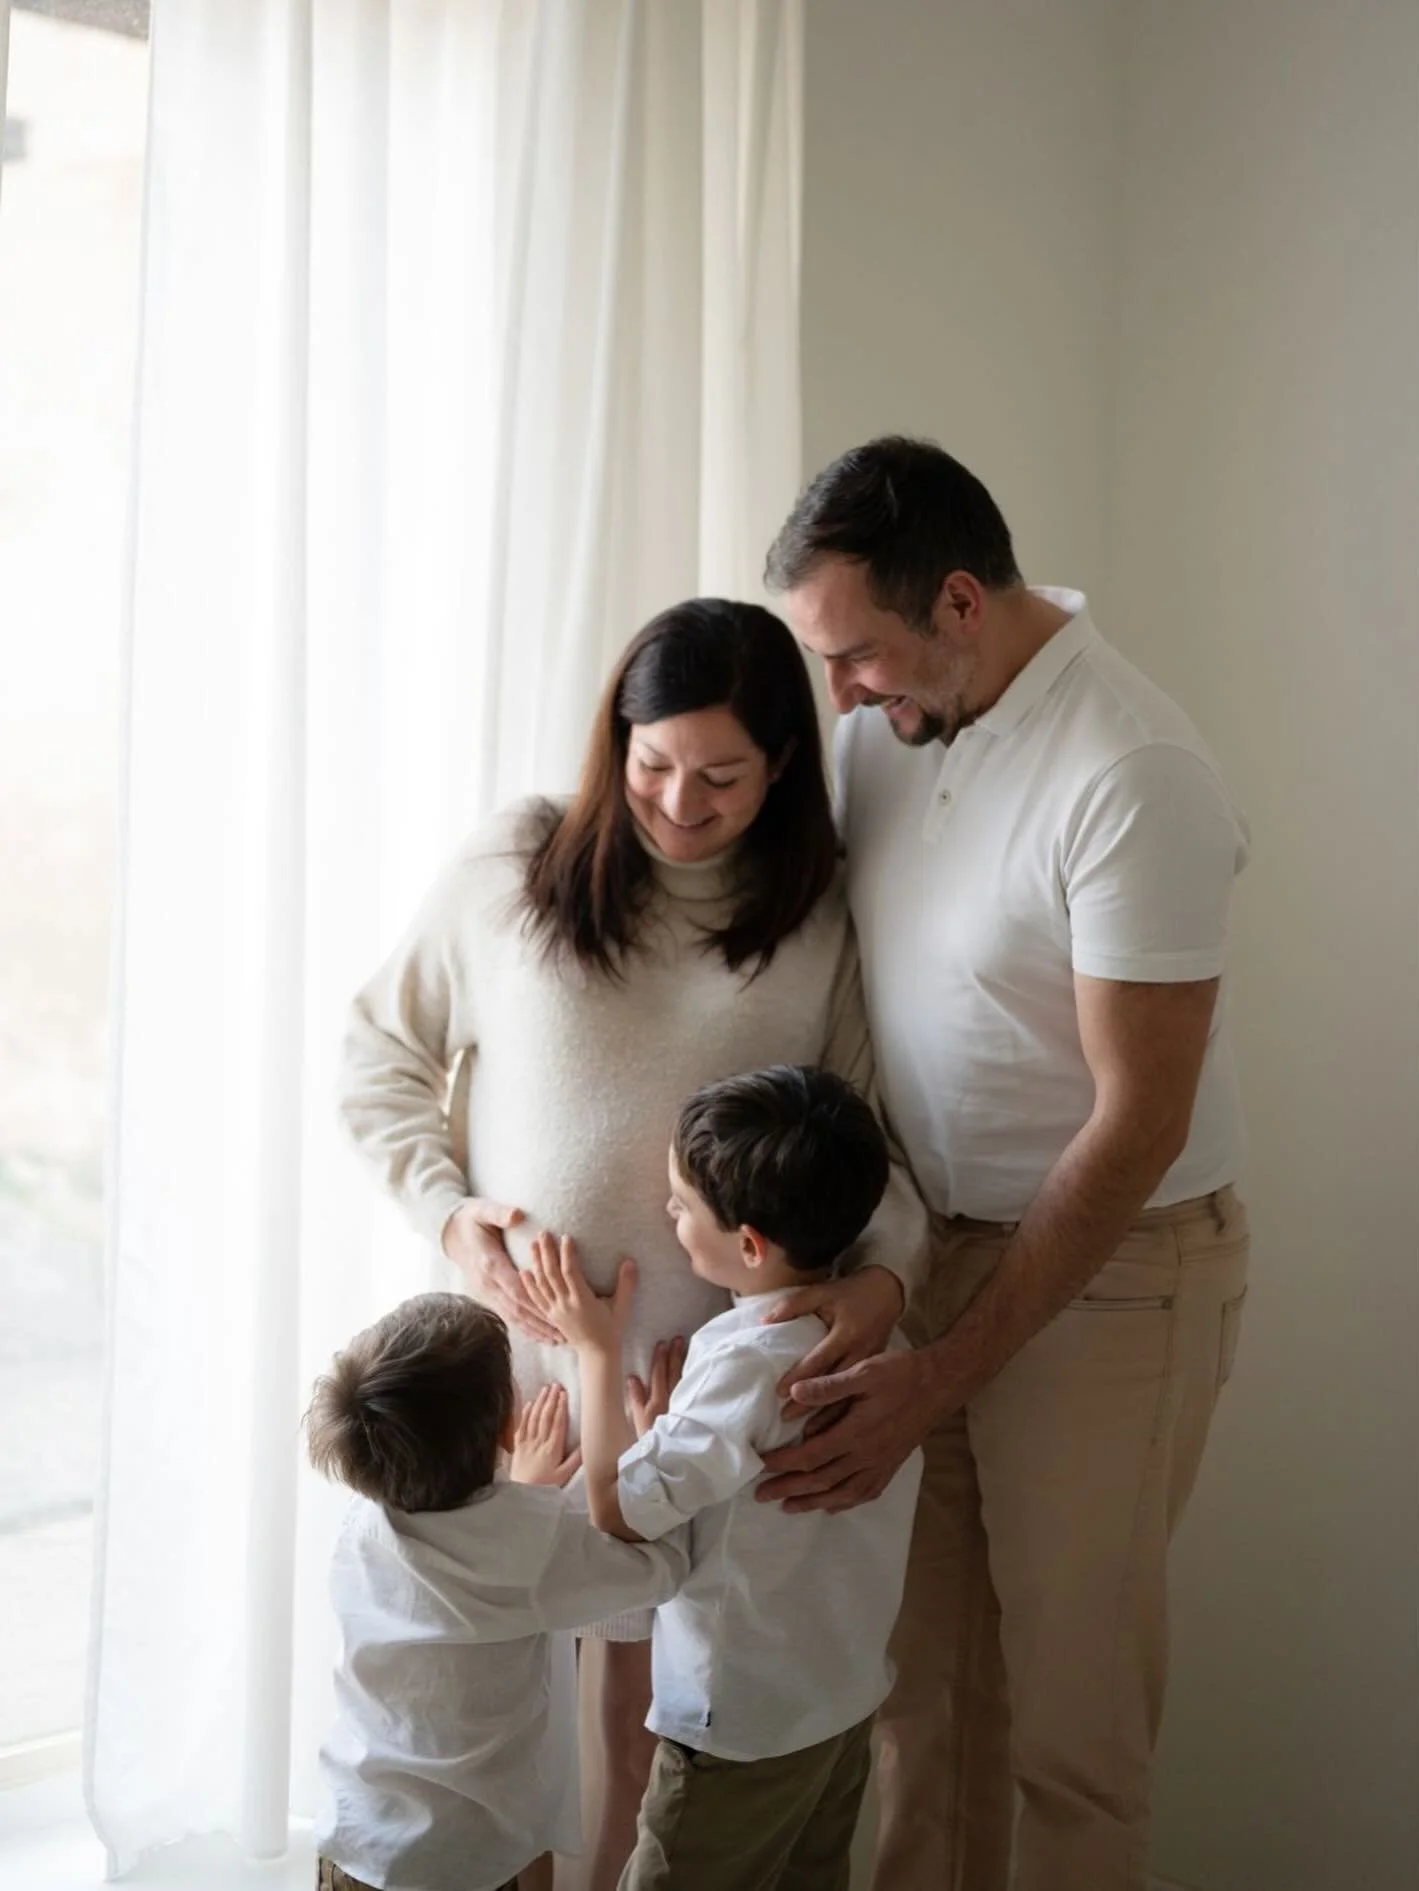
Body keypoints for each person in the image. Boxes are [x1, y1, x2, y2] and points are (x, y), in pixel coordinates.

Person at [336, 598, 927, 1887]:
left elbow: (869, 1151)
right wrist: (449, 1208)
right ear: (616, 742)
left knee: (645, 1717)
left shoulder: (814, 921)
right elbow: (377, 1055)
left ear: (781, 764)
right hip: (515, 1381)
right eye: (651, 763)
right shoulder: (515, 868)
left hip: (682, 1404)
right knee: (463, 1699)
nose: (677, 801)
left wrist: (882, 1285)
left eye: (720, 774)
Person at [757, 437, 1252, 1891]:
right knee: (923, 1715)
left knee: (1068, 1739)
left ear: (960, 604)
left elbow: (1136, 1120)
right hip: (926, 1250)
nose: (839, 691)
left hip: (1116, 1275)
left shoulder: (1132, 768)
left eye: (855, 655)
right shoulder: (888, 731)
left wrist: (945, 1362)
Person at [524, 1065, 923, 1891]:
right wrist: (670, 1434)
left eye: (679, 1205)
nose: (668, 1214)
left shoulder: (742, 1363)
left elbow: (617, 1511)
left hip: (737, 1723)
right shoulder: (887, 1347)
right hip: (837, 1703)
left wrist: (595, 1350)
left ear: (748, 1245)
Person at [304, 1291, 689, 1891]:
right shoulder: (532, 1548)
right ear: (509, 1426)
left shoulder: (362, 1525)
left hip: (357, 1843)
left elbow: (473, 1554)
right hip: (468, 1864)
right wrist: (639, 1420)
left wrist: (524, 1499)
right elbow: (657, 1568)